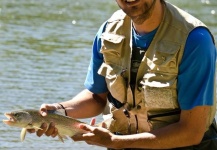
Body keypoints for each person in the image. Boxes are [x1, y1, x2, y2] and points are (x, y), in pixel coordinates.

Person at [28, 0, 217, 149]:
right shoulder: (108, 31)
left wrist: (116, 142)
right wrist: (58, 112)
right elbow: (96, 98)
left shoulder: (195, 41)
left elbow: (192, 132)